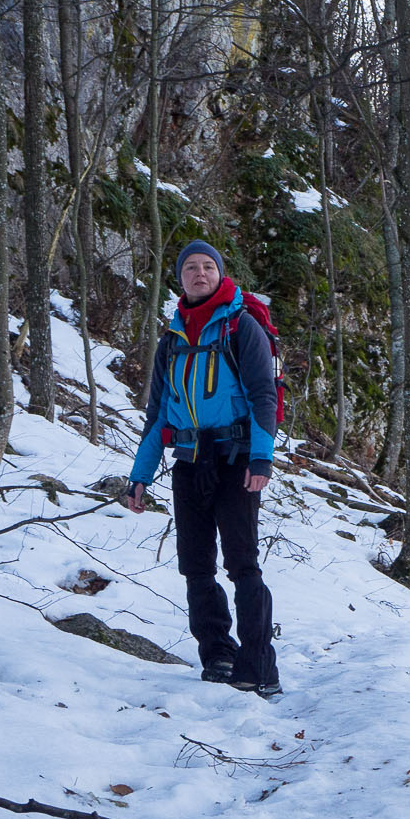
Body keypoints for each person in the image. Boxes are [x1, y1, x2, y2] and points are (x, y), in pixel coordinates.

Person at [126, 241, 281, 698]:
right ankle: (217, 653)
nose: (199, 273)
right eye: (190, 267)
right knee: (195, 565)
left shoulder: (241, 327)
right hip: (189, 462)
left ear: (219, 274)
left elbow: (263, 396)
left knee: (242, 565)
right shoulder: (172, 339)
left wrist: (261, 458)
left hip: (236, 461)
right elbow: (157, 413)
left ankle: (258, 666)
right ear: (180, 279)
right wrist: (140, 475)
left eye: (207, 266)